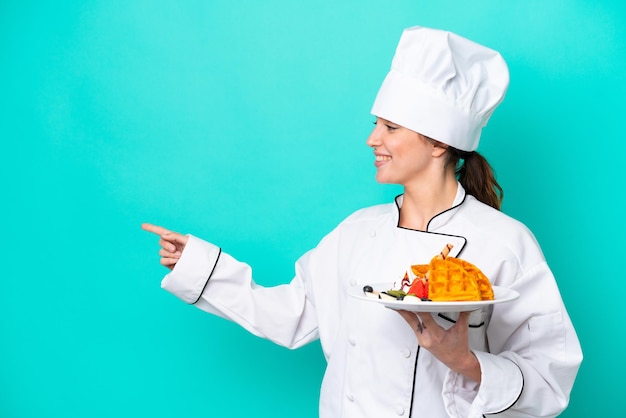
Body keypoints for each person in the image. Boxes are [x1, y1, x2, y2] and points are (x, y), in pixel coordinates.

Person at [143, 26, 582, 418]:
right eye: (377, 125)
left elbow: (549, 374)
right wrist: (197, 264)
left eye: (390, 128)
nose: (373, 139)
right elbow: (292, 315)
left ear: (437, 144)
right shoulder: (357, 232)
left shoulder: (504, 243)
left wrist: (465, 362)